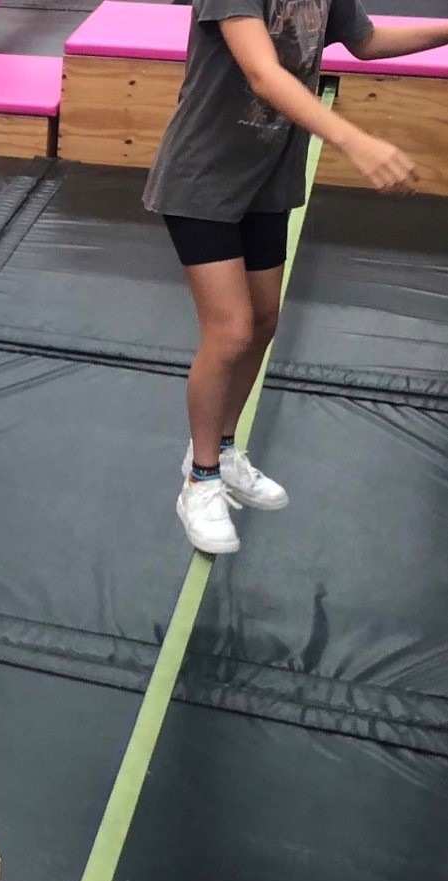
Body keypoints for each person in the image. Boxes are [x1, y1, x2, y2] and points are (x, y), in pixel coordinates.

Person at [144, 0, 448, 554]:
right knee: (230, 331)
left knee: (262, 322)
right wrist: (355, 140)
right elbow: (261, 71)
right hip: (203, 177)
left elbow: (367, 40)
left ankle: (224, 449)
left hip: (268, 176)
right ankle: (200, 480)